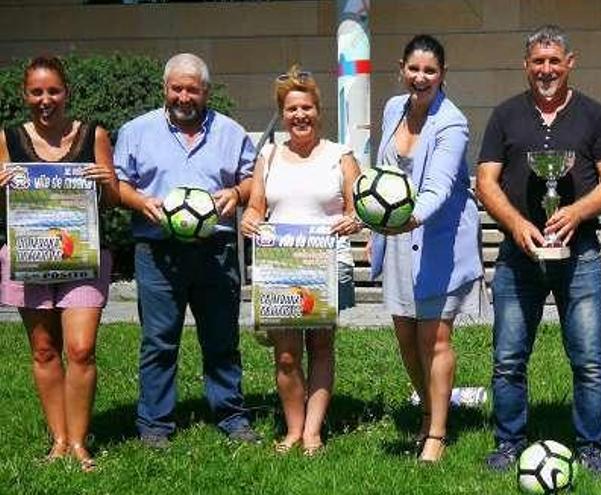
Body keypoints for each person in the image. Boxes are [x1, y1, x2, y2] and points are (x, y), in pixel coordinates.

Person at [476, 24, 601, 474]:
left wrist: (575, 212)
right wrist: (518, 223)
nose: (546, 70)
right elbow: (486, 180)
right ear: (526, 66)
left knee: (590, 360)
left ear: (569, 63)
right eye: (538, 62)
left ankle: (591, 446)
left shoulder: (593, 114)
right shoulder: (505, 115)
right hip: (518, 256)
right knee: (508, 359)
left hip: (580, 255)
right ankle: (508, 441)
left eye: (554, 61)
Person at [114, 53, 258, 448]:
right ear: (165, 89)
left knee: (222, 338)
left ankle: (231, 416)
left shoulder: (231, 132)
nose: (184, 96)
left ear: (206, 92)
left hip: (216, 249)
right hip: (158, 251)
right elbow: (117, 184)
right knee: (159, 339)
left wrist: (235, 192)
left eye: (192, 89)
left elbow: (252, 181)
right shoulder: (136, 131)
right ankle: (155, 424)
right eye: (177, 88)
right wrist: (139, 201)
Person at [369, 34, 484, 463]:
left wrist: (408, 219)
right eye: (414, 69)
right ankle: (429, 406)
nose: (421, 78)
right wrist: (377, 228)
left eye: (430, 71)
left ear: (442, 75)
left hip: (439, 239)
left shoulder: (451, 122)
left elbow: (436, 188)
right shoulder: (390, 109)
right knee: (405, 337)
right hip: (398, 238)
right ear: (402, 68)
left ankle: (436, 432)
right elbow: (382, 173)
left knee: (433, 337)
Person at [0, 56, 118, 471]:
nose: (45, 100)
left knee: (81, 349)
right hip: (29, 254)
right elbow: (4, 206)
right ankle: (60, 440)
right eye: (36, 92)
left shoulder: (93, 134)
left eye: (53, 91)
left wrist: (107, 183)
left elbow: (115, 200)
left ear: (66, 93)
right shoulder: (8, 138)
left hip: (83, 253)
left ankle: (81, 442)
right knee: (44, 350)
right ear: (25, 95)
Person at [240, 66, 362, 456]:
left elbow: (360, 208)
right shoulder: (269, 156)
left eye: (306, 107)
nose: (300, 116)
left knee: (322, 347)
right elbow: (257, 206)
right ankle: (293, 428)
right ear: (283, 113)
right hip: (281, 266)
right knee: (287, 353)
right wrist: (249, 219)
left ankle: (313, 431)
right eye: (292, 109)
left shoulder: (340, 156)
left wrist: (354, 219)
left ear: (318, 111)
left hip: (327, 262)